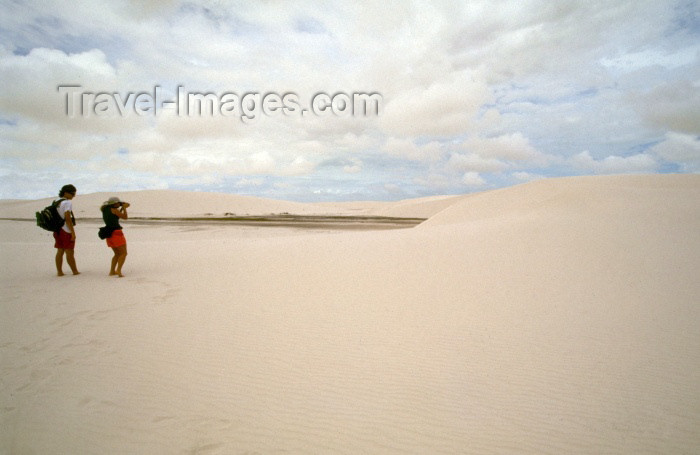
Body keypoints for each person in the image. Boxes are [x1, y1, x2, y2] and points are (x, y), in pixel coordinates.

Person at [101, 196, 130, 277]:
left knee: (117, 254)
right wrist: (124, 208)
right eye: (118, 203)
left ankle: (112, 271)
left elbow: (115, 216)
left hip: (108, 233)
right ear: (114, 203)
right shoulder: (114, 210)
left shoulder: (104, 209)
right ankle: (118, 270)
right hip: (116, 233)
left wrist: (121, 206)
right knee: (123, 253)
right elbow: (125, 217)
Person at [54, 184, 80, 276]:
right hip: (65, 229)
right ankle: (75, 271)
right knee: (69, 250)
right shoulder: (67, 203)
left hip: (57, 229)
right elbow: (68, 218)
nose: (74, 196)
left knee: (60, 250)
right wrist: (72, 232)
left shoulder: (56, 201)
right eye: (72, 194)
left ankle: (59, 272)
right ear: (66, 193)